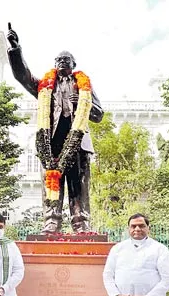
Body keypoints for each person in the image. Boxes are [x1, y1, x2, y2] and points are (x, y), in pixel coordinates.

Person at [7, 23, 104, 233]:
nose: (61, 62)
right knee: (52, 185)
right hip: (51, 145)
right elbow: (22, 76)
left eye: (65, 60)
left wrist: (81, 102)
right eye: (58, 60)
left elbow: (99, 115)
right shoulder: (44, 86)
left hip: (78, 144)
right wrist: (15, 50)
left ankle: (81, 224)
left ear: (73, 64)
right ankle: (51, 223)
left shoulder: (83, 85)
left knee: (78, 187)